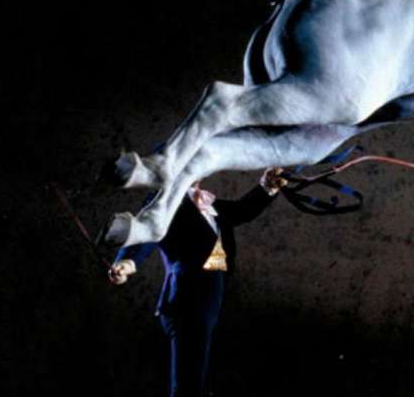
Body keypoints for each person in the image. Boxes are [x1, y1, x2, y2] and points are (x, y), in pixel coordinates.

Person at [109, 167, 288, 396]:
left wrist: (266, 187)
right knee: (187, 387)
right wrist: (127, 263)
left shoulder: (206, 204)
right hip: (188, 302)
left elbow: (241, 211)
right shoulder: (164, 202)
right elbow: (146, 230)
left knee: (202, 383)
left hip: (214, 302)